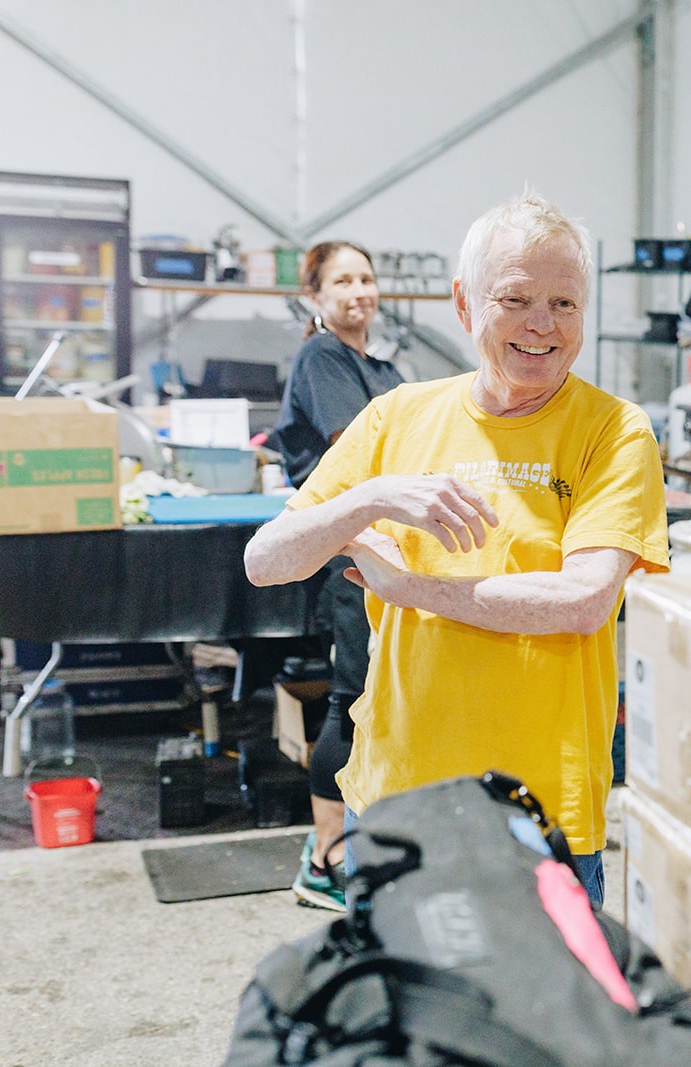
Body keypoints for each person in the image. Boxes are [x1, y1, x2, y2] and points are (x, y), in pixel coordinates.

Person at [244, 194, 669, 906]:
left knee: (541, 1018)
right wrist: (369, 496)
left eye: (565, 303)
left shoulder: (614, 431)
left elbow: (583, 600)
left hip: (540, 814)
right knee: (403, 1013)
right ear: (465, 304)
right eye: (517, 298)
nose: (543, 324)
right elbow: (267, 559)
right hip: (396, 799)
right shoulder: (398, 417)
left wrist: (410, 587)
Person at [272, 240, 405, 911]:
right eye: (343, 280)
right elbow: (353, 448)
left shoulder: (375, 363)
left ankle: (362, 842)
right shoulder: (323, 357)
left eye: (366, 278)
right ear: (318, 296)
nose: (359, 290)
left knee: (379, 699)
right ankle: (325, 857)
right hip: (350, 553)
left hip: (387, 552)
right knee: (350, 700)